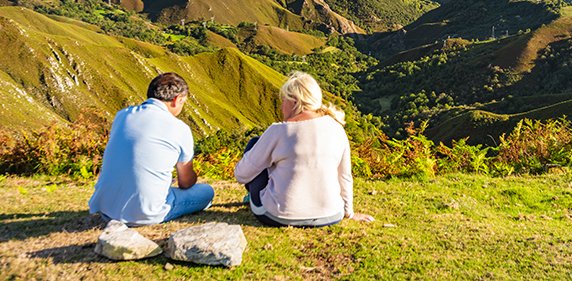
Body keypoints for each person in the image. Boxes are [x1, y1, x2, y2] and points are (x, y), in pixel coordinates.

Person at [234, 71, 374, 227]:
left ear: (295, 101)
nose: (281, 106)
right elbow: (345, 176)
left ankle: (257, 197)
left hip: (278, 215)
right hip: (332, 214)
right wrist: (349, 212)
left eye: (284, 100)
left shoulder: (278, 131)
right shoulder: (337, 128)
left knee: (255, 143)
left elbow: (241, 175)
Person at [88, 72, 214, 225]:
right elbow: (185, 182)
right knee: (207, 192)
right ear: (176, 100)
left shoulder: (122, 115)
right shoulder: (179, 128)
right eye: (182, 103)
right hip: (147, 213)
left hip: (106, 210)